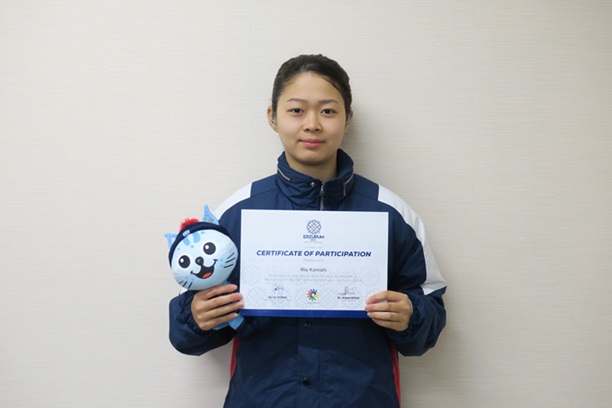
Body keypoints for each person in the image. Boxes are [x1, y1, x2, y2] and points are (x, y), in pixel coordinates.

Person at [169, 54, 447, 408]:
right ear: (272, 117)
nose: (312, 124)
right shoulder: (236, 213)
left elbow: (430, 317)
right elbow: (186, 334)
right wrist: (196, 317)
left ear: (347, 119)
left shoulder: (390, 214)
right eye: (296, 110)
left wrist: (411, 315)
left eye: (328, 111)